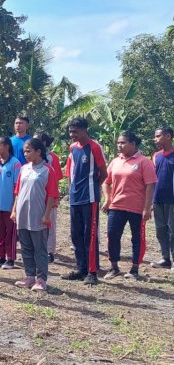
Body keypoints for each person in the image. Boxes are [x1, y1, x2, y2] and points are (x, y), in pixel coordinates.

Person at [102, 131, 156, 280]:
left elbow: (150, 185)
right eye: (118, 142)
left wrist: (147, 207)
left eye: (123, 142)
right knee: (112, 236)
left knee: (137, 238)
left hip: (137, 208)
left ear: (133, 144)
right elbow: (106, 182)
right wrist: (108, 199)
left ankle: (134, 269)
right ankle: (114, 267)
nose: (119, 145)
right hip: (116, 206)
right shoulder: (115, 161)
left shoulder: (143, 162)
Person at [62, 117, 107, 285]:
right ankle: (81, 268)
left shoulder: (95, 147)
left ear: (84, 130)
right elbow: (70, 174)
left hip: (90, 198)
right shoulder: (73, 148)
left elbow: (104, 173)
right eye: (70, 131)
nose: (72, 134)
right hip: (75, 198)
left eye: (75, 131)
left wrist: (93, 188)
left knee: (91, 235)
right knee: (76, 235)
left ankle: (92, 271)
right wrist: (71, 192)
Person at [12, 138, 59, 292]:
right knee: (26, 246)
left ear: (38, 152)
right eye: (24, 151)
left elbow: (52, 195)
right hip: (23, 214)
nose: (25, 154)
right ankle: (29, 276)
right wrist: (14, 210)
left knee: (39, 247)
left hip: (39, 214)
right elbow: (18, 192)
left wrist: (47, 215)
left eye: (28, 151)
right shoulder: (24, 169)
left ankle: (41, 279)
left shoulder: (47, 170)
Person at [0, 136, 21, 269]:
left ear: (6, 146)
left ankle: (10, 258)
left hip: (9, 205)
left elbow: (17, 186)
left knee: (10, 233)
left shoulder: (15, 163)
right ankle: (0, 256)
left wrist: (14, 206)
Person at [34, 132, 62, 263]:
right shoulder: (31, 157)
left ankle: (50, 251)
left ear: (43, 143)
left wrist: (55, 197)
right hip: (35, 196)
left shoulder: (52, 158)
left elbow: (56, 180)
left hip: (49, 196)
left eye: (36, 140)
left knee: (50, 224)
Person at [151, 126, 174, 270]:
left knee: (173, 231)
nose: (155, 139)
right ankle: (166, 258)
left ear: (168, 136)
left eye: (158, 136)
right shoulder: (156, 155)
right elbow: (152, 178)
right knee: (161, 230)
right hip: (157, 198)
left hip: (172, 200)